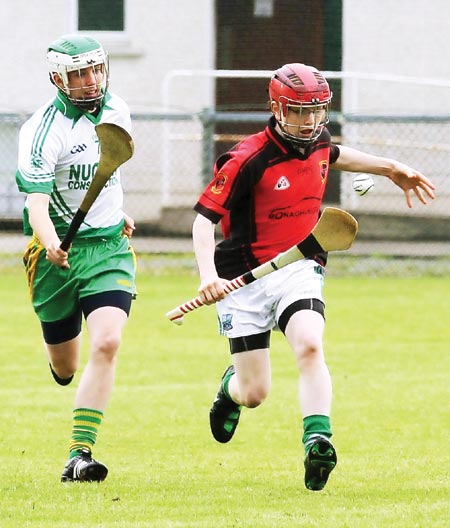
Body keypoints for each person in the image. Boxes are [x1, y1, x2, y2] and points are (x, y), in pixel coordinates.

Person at [192, 63, 436, 491]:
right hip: (243, 278)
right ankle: (231, 387)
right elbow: (202, 219)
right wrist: (207, 275)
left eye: (317, 111)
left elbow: (335, 153)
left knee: (309, 344)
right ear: (275, 108)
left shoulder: (317, 139)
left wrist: (390, 166)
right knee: (254, 393)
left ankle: (317, 439)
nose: (310, 123)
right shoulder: (247, 157)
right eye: (299, 112)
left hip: (300, 264)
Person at [16, 34, 137, 483]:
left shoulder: (118, 111)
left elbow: (109, 172)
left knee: (107, 341)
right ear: (57, 78)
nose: (91, 81)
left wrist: (118, 213)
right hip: (55, 260)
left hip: (107, 248)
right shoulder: (41, 131)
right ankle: (60, 365)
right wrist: (48, 242)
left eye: (96, 70)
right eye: (79, 73)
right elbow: (36, 207)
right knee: (65, 367)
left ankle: (79, 454)